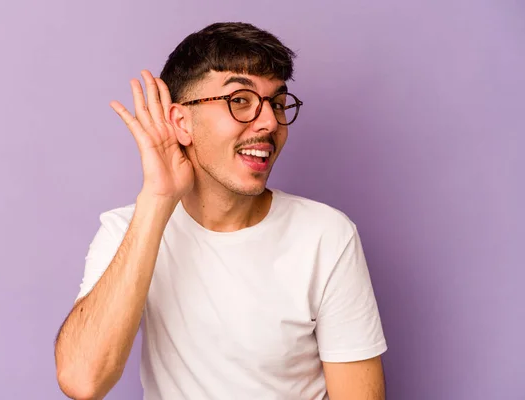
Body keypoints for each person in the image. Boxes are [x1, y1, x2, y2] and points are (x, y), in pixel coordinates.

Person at [54, 21, 388, 400]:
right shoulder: (127, 231)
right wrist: (157, 200)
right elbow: (83, 381)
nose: (269, 122)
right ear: (182, 122)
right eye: (240, 100)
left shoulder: (326, 235)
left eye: (277, 103)